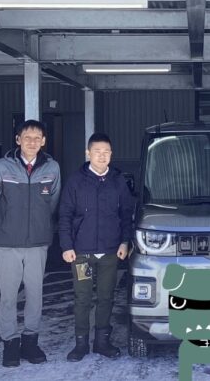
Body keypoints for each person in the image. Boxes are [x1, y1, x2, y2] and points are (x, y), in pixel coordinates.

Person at [0, 120, 61, 367]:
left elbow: (53, 201)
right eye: (27, 137)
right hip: (8, 243)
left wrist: (40, 225)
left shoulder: (52, 168)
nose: (32, 142)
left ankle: (30, 342)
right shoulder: (0, 167)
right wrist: (6, 225)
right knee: (8, 296)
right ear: (18, 140)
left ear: (44, 141)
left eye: (37, 137)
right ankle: (10, 343)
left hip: (38, 242)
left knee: (35, 294)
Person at [59, 133, 134, 362]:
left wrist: (125, 241)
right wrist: (66, 246)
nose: (102, 156)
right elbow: (65, 215)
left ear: (111, 154)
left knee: (106, 297)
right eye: (97, 152)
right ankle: (80, 343)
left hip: (110, 252)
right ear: (88, 153)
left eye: (106, 152)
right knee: (82, 297)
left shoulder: (118, 181)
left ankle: (102, 342)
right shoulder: (75, 181)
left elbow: (126, 214)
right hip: (81, 253)